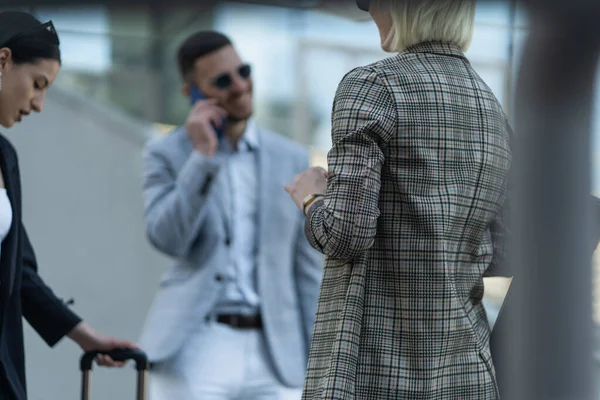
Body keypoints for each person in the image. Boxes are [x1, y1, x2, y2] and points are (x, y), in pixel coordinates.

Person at [285, 0, 511, 398]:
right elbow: (506, 250)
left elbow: (344, 234)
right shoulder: (490, 108)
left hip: (374, 369)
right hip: (465, 374)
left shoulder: (373, 86)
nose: (368, 11)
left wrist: (311, 198)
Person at [138, 30, 323, 400]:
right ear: (191, 92)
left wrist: (320, 355)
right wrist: (202, 158)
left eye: (244, 71)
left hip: (278, 352)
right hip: (196, 345)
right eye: (222, 80)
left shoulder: (290, 157)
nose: (240, 86)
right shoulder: (166, 153)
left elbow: (305, 269)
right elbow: (166, 238)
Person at [0, 11, 139, 400]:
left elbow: (19, 275)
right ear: (3, 61)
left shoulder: (5, 157)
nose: (39, 104)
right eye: (37, 84)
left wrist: (85, 336)